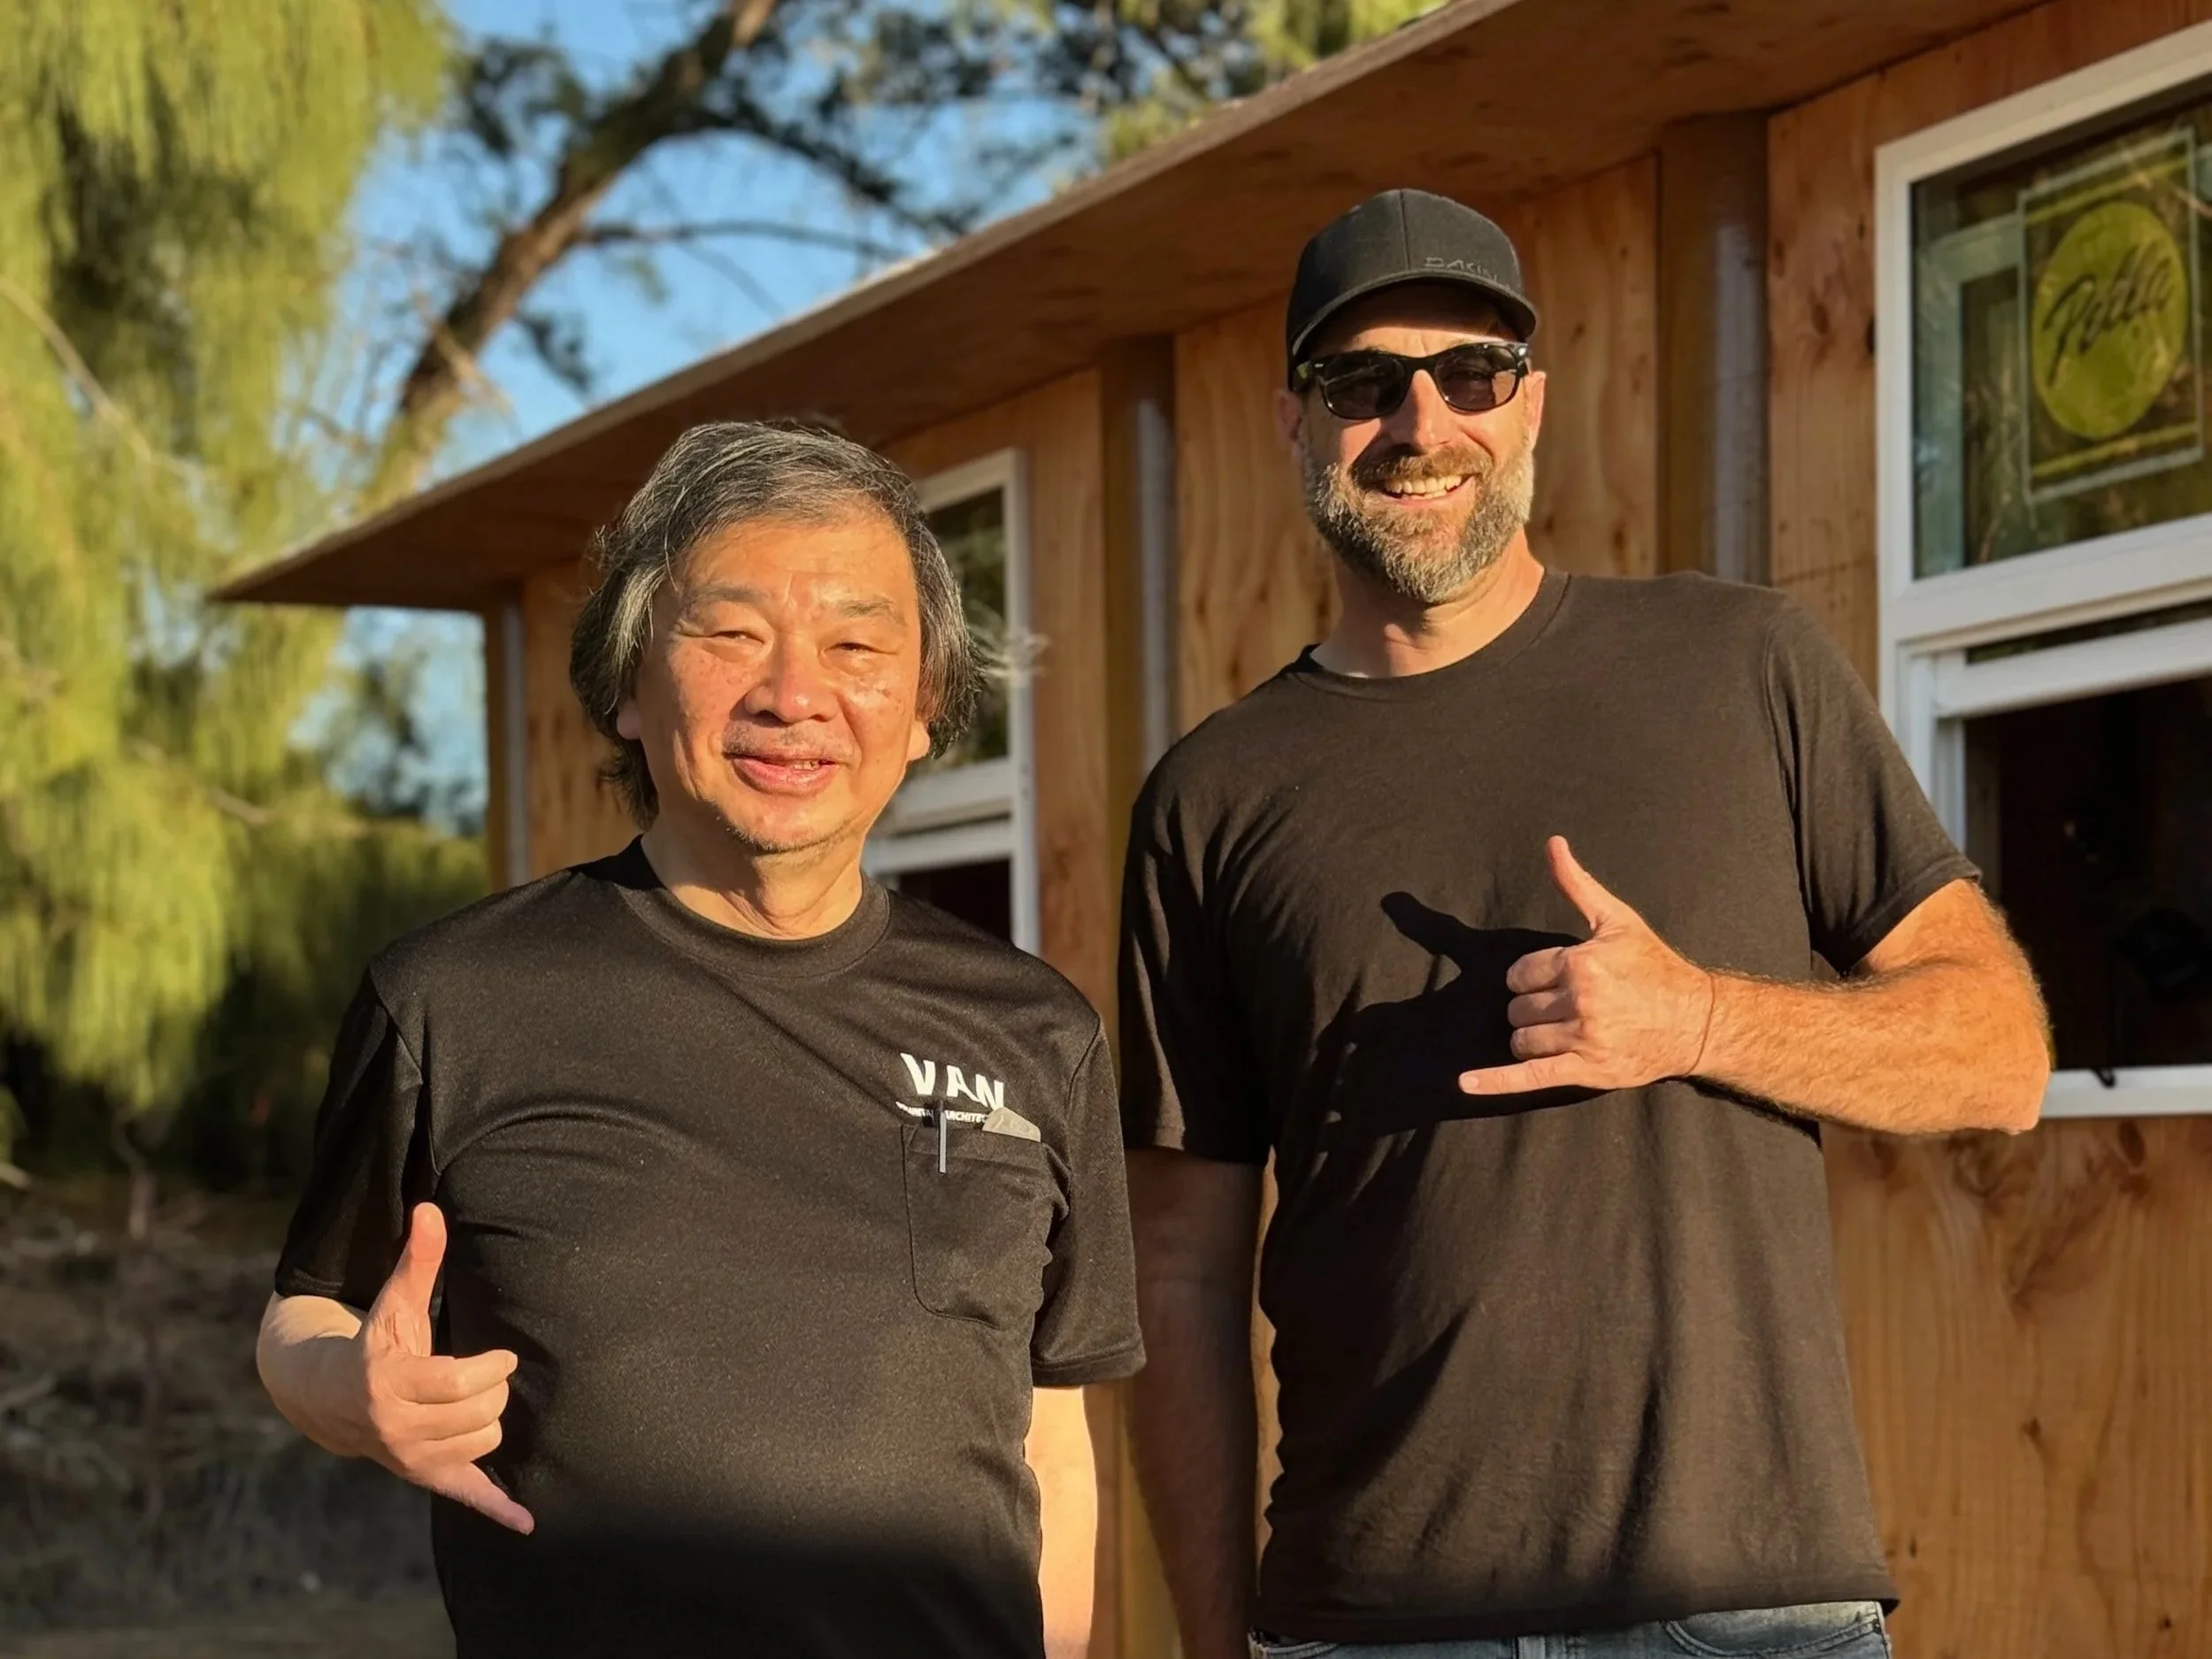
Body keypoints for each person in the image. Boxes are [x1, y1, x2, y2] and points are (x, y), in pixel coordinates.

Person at [1118, 188, 2051, 1659]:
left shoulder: (1742, 665)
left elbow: (2000, 1053)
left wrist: (1700, 1017)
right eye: (1363, 382)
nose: (1421, 424)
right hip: (1375, 1627)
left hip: (1745, 1618)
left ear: (1532, 403)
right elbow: (1177, 1270)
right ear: (1296, 419)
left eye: (1471, 373)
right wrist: (1219, 1642)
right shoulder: (1212, 795)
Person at [257, 422, 1142, 1659]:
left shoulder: (1038, 1032)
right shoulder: (454, 998)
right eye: (731, 634)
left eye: (857, 646)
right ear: (627, 685)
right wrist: (350, 1394)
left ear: (925, 707)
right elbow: (305, 1313)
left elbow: (1052, 1432)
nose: (794, 694)